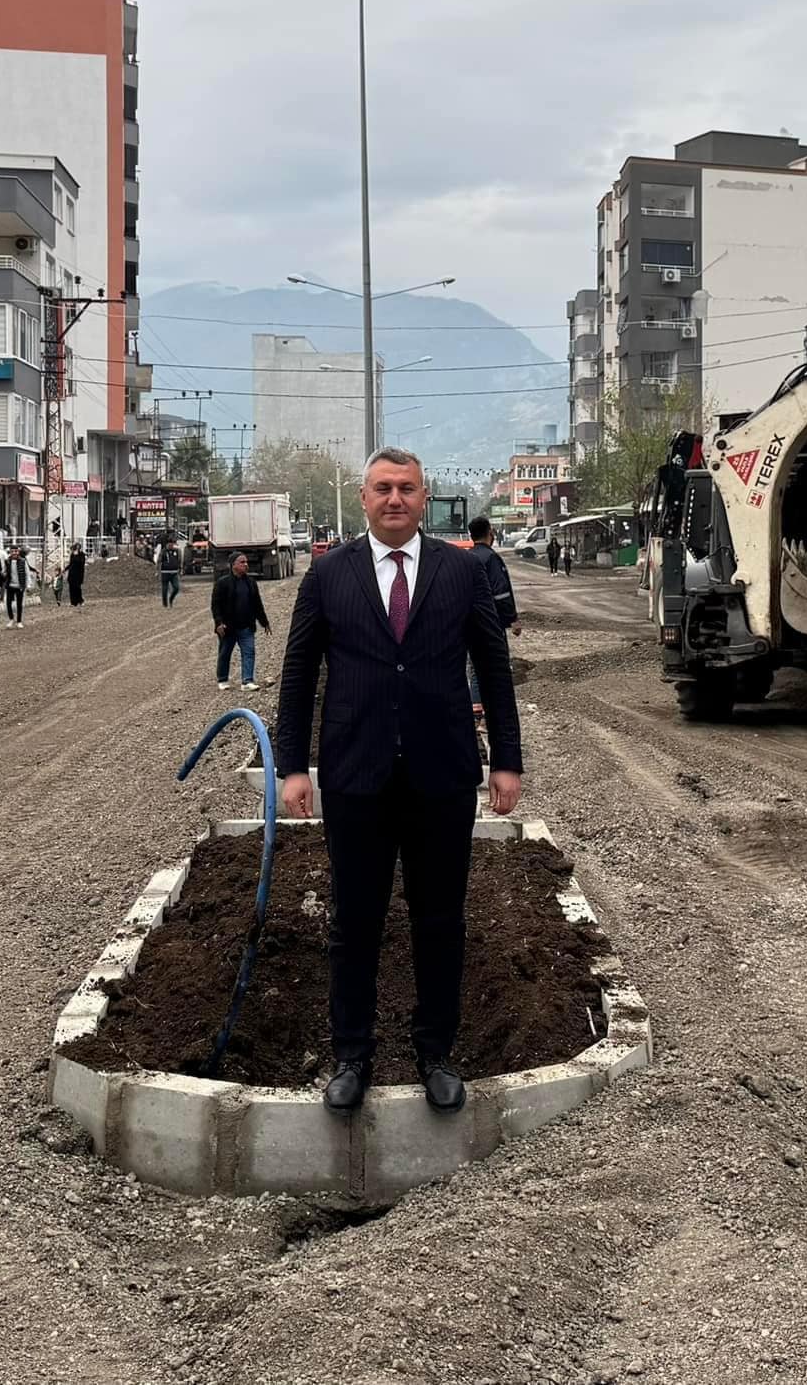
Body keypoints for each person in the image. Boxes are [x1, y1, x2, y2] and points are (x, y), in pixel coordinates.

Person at [275, 447, 523, 1117]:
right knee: (353, 922)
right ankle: (351, 1055)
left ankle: (436, 1052)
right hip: (357, 778)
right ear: (364, 498)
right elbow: (298, 676)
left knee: (440, 920)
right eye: (383, 488)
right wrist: (292, 767)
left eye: (407, 489)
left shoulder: (461, 572)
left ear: (425, 497)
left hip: (441, 778)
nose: (395, 499)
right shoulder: (329, 576)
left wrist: (507, 759)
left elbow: (494, 670)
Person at [467, 516, 522, 713]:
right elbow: (501, 593)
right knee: (498, 667)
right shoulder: (491, 559)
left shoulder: (466, 558)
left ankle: (476, 712)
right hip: (491, 624)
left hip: (469, 623)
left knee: (474, 668)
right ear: (490, 532)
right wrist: (512, 619)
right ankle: (490, 715)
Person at [210, 552, 271, 690]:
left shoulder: (251, 583)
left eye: (246, 562)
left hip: (246, 626)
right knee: (225, 653)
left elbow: (257, 604)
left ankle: (247, 681)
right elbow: (215, 605)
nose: (246, 564)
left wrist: (264, 622)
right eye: (242, 562)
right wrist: (219, 623)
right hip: (228, 627)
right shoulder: (222, 583)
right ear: (233, 565)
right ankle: (223, 679)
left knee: (249, 652)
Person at [4, 545, 31, 628]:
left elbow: (27, 573)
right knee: (8, 603)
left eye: (16, 551)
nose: (14, 553)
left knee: (19, 604)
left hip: (20, 585)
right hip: (10, 585)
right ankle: (11, 619)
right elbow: (5, 570)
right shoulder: (7, 561)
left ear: (18, 552)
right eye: (12, 551)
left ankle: (19, 621)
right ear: (10, 552)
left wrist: (28, 584)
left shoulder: (23, 561)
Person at [159, 530, 182, 608]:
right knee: (164, 589)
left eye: (172, 544)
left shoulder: (177, 551)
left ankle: (171, 599)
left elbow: (179, 561)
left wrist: (180, 569)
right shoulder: (163, 552)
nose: (171, 545)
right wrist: (157, 571)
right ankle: (165, 604)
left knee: (176, 587)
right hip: (165, 572)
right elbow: (159, 561)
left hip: (174, 572)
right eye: (169, 544)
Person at [66, 542, 87, 608]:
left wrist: (76, 556)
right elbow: (71, 564)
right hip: (72, 574)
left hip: (78, 574)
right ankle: (73, 602)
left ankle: (80, 600)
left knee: (77, 588)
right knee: (71, 588)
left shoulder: (82, 555)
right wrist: (65, 569)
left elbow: (81, 563)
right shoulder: (72, 555)